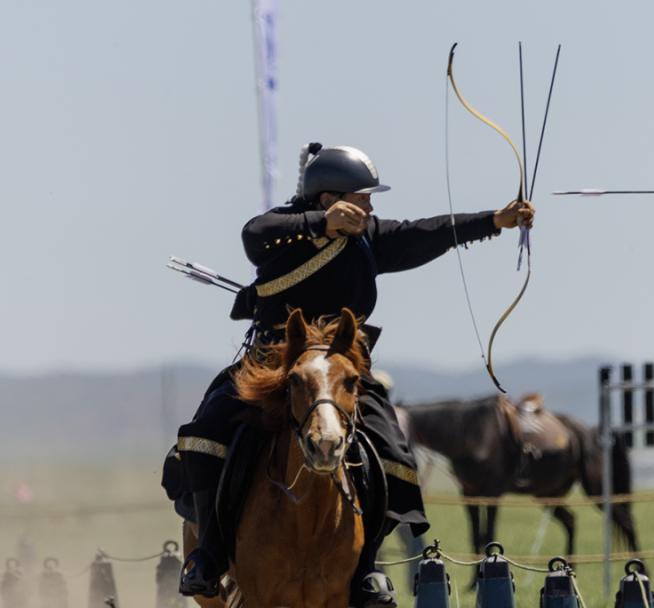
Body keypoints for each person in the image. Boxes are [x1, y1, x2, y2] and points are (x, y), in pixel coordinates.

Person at [162, 142, 535, 607]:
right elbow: (254, 233)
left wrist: (494, 222)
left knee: (393, 449)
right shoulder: (284, 232)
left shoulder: (369, 239)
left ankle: (365, 568)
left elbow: (426, 232)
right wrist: (323, 224)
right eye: (362, 198)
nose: (371, 207)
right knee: (206, 433)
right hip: (272, 362)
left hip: (339, 370)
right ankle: (209, 556)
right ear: (329, 199)